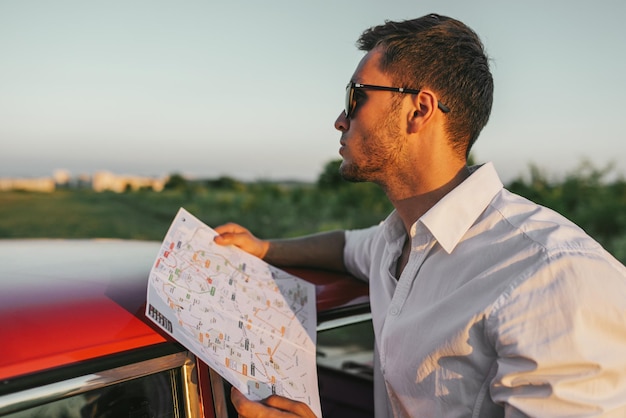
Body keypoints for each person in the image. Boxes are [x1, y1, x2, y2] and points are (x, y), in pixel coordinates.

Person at [214, 13, 626, 417]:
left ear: (419, 110)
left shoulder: (553, 276)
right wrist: (263, 247)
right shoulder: (397, 239)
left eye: (355, 96)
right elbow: (343, 248)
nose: (341, 119)